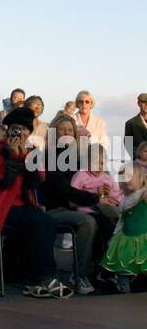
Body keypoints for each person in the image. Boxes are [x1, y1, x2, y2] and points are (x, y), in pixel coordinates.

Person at [0, 108, 68, 299]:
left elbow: (35, 182)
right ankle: (44, 277)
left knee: (44, 222)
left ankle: (35, 279)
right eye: (15, 129)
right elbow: (3, 182)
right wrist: (13, 156)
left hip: (23, 206)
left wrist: (24, 156)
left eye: (23, 130)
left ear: (29, 133)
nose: (19, 133)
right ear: (8, 131)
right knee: (38, 221)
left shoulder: (31, 153)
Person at [40, 116, 99, 293]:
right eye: (62, 130)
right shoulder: (49, 157)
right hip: (56, 209)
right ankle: (80, 275)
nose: (67, 133)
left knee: (110, 215)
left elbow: (88, 183)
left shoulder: (78, 158)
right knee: (88, 222)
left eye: (70, 130)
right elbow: (63, 190)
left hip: (78, 206)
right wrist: (95, 199)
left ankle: (108, 273)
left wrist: (103, 195)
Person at [100, 164, 147, 292]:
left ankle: (140, 280)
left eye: (130, 177)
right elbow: (121, 220)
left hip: (143, 234)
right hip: (127, 237)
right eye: (123, 178)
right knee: (124, 261)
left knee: (143, 261)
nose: (126, 180)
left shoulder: (143, 193)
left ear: (141, 178)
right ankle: (123, 284)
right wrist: (115, 234)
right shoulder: (124, 201)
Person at [124, 94, 147, 160]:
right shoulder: (130, 123)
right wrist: (139, 157)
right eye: (143, 102)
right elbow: (128, 144)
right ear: (138, 103)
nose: (146, 105)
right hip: (138, 164)